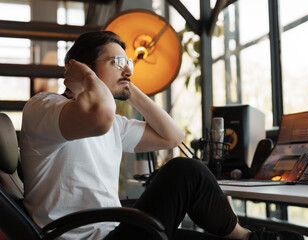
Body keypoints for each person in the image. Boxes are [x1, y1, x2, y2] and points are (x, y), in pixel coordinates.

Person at [20, 31, 254, 240]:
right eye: (117, 62)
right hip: (80, 236)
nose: (128, 69)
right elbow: (97, 115)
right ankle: (248, 237)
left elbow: (172, 136)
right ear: (84, 68)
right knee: (184, 170)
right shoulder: (45, 107)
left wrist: (127, 89)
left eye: (127, 62)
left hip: (117, 230)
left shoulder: (115, 125)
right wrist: (88, 79)